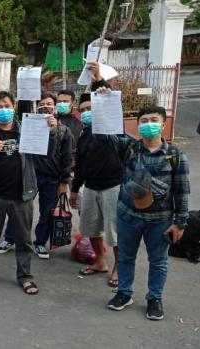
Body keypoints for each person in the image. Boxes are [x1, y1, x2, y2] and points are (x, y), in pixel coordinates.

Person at [102, 101, 189, 321]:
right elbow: (104, 133)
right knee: (125, 256)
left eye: (153, 120)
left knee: (158, 261)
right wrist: (102, 91)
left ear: (163, 124)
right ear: (137, 125)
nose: (148, 124)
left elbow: (181, 190)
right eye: (144, 121)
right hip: (128, 215)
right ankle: (124, 293)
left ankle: (154, 298)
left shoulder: (175, 155)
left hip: (159, 220)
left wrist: (180, 222)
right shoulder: (129, 148)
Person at [0, 91, 58, 295]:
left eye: (6, 105)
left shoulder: (27, 130)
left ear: (13, 107)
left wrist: (52, 132)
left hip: (22, 194)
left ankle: (25, 276)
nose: (3, 110)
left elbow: (47, 152)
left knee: (23, 239)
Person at [69, 92, 123, 288]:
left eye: (89, 109)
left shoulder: (113, 131)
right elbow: (80, 165)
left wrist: (102, 86)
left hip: (113, 187)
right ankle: (100, 262)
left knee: (115, 232)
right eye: (82, 110)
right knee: (91, 228)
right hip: (90, 187)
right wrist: (74, 190)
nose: (85, 113)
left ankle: (119, 267)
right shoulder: (83, 135)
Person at [30, 93, 73, 258]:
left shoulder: (64, 131)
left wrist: (64, 182)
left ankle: (40, 243)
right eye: (42, 104)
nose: (45, 107)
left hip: (52, 179)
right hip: (32, 176)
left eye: (49, 103)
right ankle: (11, 238)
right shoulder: (30, 126)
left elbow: (67, 158)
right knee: (21, 209)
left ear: (54, 108)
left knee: (47, 213)